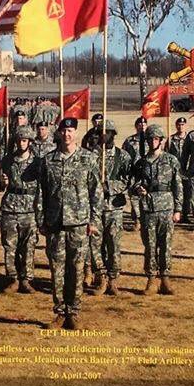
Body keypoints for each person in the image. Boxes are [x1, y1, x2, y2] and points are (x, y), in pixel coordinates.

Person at [39, 118, 102, 330]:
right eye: (64, 130)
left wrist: (94, 221)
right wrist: (42, 220)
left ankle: (73, 312)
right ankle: (59, 312)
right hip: (56, 222)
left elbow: (96, 192)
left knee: (76, 269)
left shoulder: (88, 158)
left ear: (76, 133)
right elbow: (42, 193)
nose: (67, 134)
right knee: (57, 269)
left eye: (71, 130)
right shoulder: (49, 160)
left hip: (79, 223)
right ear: (59, 133)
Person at [131, 124, 183, 295]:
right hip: (148, 208)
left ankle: (165, 278)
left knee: (166, 245)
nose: (153, 142)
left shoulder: (170, 160)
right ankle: (151, 279)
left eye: (156, 139)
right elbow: (134, 183)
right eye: (150, 139)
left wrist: (178, 209)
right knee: (150, 246)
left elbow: (178, 185)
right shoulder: (141, 163)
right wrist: (138, 188)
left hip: (166, 207)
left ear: (161, 140)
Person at [0, 126, 42, 294]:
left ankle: (27, 279)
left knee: (29, 246)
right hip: (10, 207)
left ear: (29, 142)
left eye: (24, 140)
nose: (21, 144)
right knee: (9, 245)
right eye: (19, 140)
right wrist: (2, 182)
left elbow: (44, 186)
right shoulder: (7, 160)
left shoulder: (38, 162)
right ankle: (12, 278)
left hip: (30, 208)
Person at [86, 119, 131, 296]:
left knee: (113, 244)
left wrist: (109, 186)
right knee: (95, 244)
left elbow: (128, 181)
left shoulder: (123, 156)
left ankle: (113, 279)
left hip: (114, 208)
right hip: (96, 208)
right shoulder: (90, 156)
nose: (100, 136)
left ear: (112, 134)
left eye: (105, 132)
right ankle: (101, 276)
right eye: (98, 132)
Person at [122, 116, 148, 231]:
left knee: (146, 196)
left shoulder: (151, 139)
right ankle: (137, 221)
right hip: (134, 172)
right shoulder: (129, 141)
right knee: (134, 197)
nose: (142, 126)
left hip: (147, 173)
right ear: (136, 126)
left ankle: (146, 219)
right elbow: (124, 156)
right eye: (140, 124)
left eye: (144, 124)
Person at [166, 117, 190, 222]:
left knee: (187, 193)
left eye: (183, 125)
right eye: (179, 124)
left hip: (186, 170)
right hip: (174, 171)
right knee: (175, 192)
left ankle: (185, 215)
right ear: (176, 126)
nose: (181, 127)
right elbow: (167, 154)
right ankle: (175, 213)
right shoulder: (171, 140)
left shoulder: (190, 139)